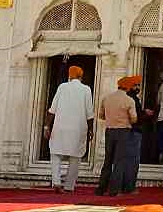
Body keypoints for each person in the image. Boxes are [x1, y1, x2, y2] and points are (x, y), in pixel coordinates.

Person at [45, 65, 94, 193]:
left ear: (70, 76)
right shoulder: (86, 89)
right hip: (78, 128)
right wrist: (90, 129)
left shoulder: (62, 87)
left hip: (60, 127)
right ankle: (69, 186)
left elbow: (52, 109)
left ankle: (56, 182)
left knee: (55, 154)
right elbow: (89, 113)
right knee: (75, 157)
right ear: (81, 76)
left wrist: (46, 126)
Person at [94, 77, 137, 197]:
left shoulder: (107, 98)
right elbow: (133, 119)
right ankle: (114, 189)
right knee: (119, 161)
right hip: (123, 131)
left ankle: (101, 188)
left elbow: (101, 115)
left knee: (107, 160)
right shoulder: (129, 100)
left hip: (110, 130)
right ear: (128, 87)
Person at [115, 76, 147, 195]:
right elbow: (135, 118)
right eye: (135, 85)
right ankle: (128, 187)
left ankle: (121, 186)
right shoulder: (131, 100)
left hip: (121, 131)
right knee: (132, 161)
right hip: (132, 132)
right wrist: (144, 114)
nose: (138, 88)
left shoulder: (120, 98)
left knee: (122, 159)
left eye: (138, 85)